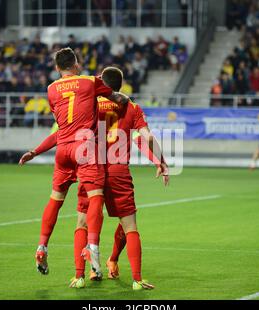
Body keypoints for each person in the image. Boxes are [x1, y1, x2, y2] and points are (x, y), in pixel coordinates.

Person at [20, 67, 169, 290]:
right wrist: (160, 160)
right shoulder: (131, 106)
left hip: (90, 168)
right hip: (118, 171)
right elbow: (145, 138)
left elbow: (61, 134)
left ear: (102, 83)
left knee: (82, 221)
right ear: (121, 85)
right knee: (130, 226)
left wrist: (35, 151)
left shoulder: (90, 104)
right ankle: (137, 280)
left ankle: (81, 275)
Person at [32, 48, 129, 278]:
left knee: (55, 200)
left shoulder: (51, 89)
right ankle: (93, 247)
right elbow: (116, 97)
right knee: (96, 196)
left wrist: (34, 151)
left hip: (63, 149)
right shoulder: (89, 81)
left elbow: (62, 121)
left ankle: (42, 246)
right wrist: (125, 100)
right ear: (76, 64)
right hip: (84, 147)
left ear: (57, 68)